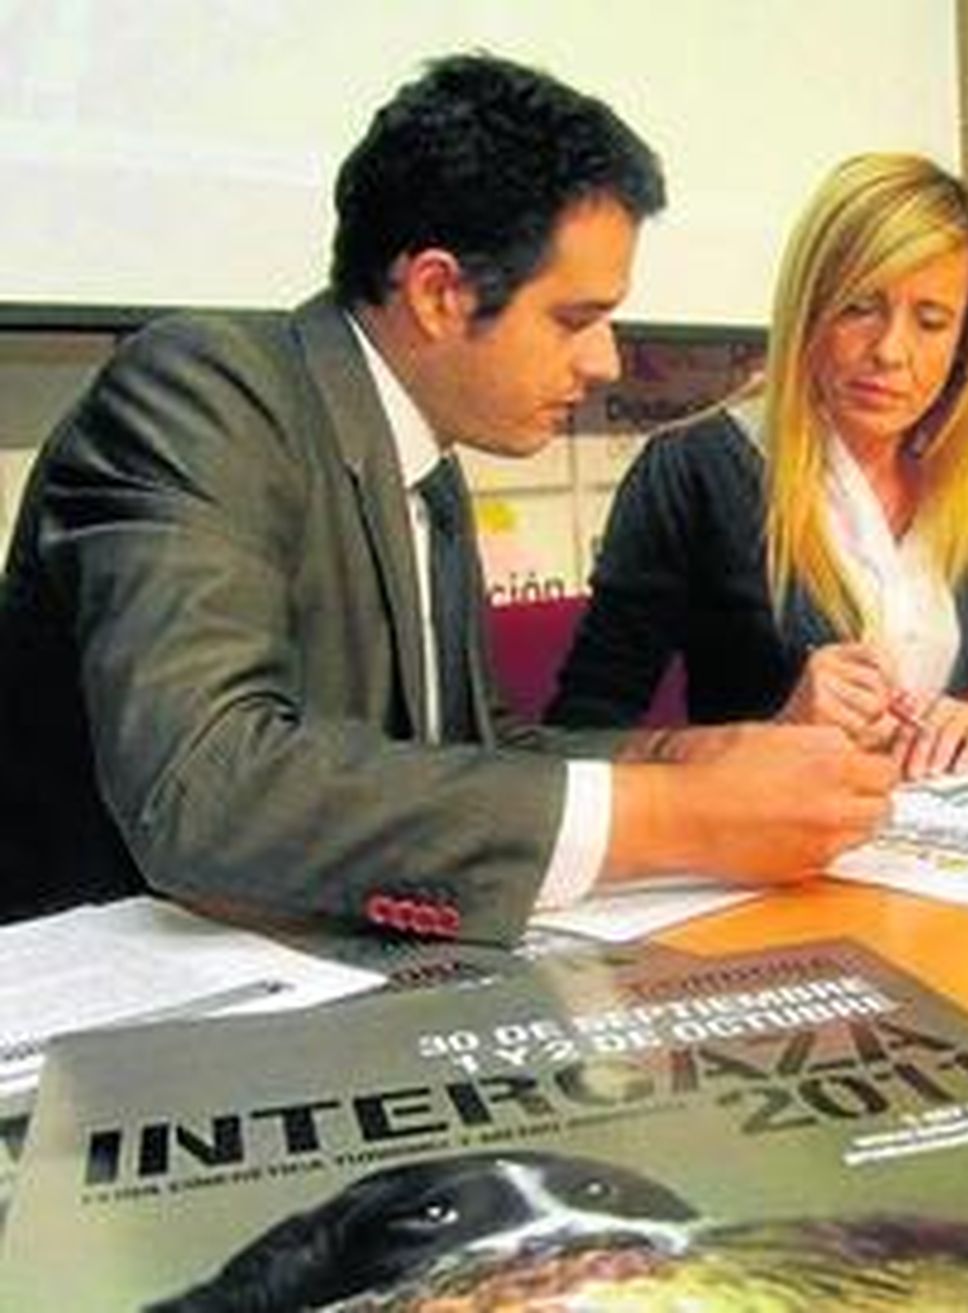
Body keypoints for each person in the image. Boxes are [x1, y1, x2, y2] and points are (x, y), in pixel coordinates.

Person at [0, 54, 897, 938]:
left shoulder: (423, 446)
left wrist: (692, 755)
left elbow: (473, 751)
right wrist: (666, 815)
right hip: (116, 1033)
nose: (607, 361)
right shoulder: (201, 395)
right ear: (437, 292)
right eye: (575, 318)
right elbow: (208, 785)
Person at [547, 153, 968, 777]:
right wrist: (775, 736)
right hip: (766, 854)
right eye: (858, 307)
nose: (889, 351)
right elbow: (574, 741)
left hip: (942, 847)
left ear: (967, 342)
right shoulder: (695, 469)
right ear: (809, 307)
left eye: (931, 321)